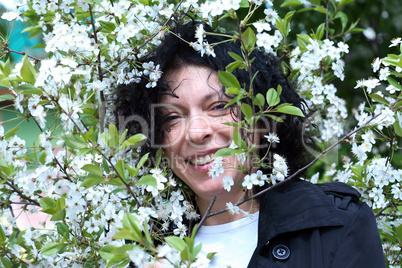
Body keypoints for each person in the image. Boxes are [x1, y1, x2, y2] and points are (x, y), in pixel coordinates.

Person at [115, 21, 386, 267]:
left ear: (262, 117)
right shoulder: (145, 250)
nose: (197, 132)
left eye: (220, 106)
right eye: (172, 117)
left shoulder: (337, 226)